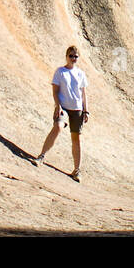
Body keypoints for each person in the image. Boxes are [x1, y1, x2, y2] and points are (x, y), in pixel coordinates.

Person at [33, 46, 89, 179]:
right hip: (63, 106)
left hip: (77, 108)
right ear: (66, 56)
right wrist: (57, 106)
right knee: (57, 127)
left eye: (75, 56)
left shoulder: (81, 73)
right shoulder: (60, 71)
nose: (73, 58)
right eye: (71, 56)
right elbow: (55, 91)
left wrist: (86, 110)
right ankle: (41, 156)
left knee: (76, 138)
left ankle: (76, 170)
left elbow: (83, 94)